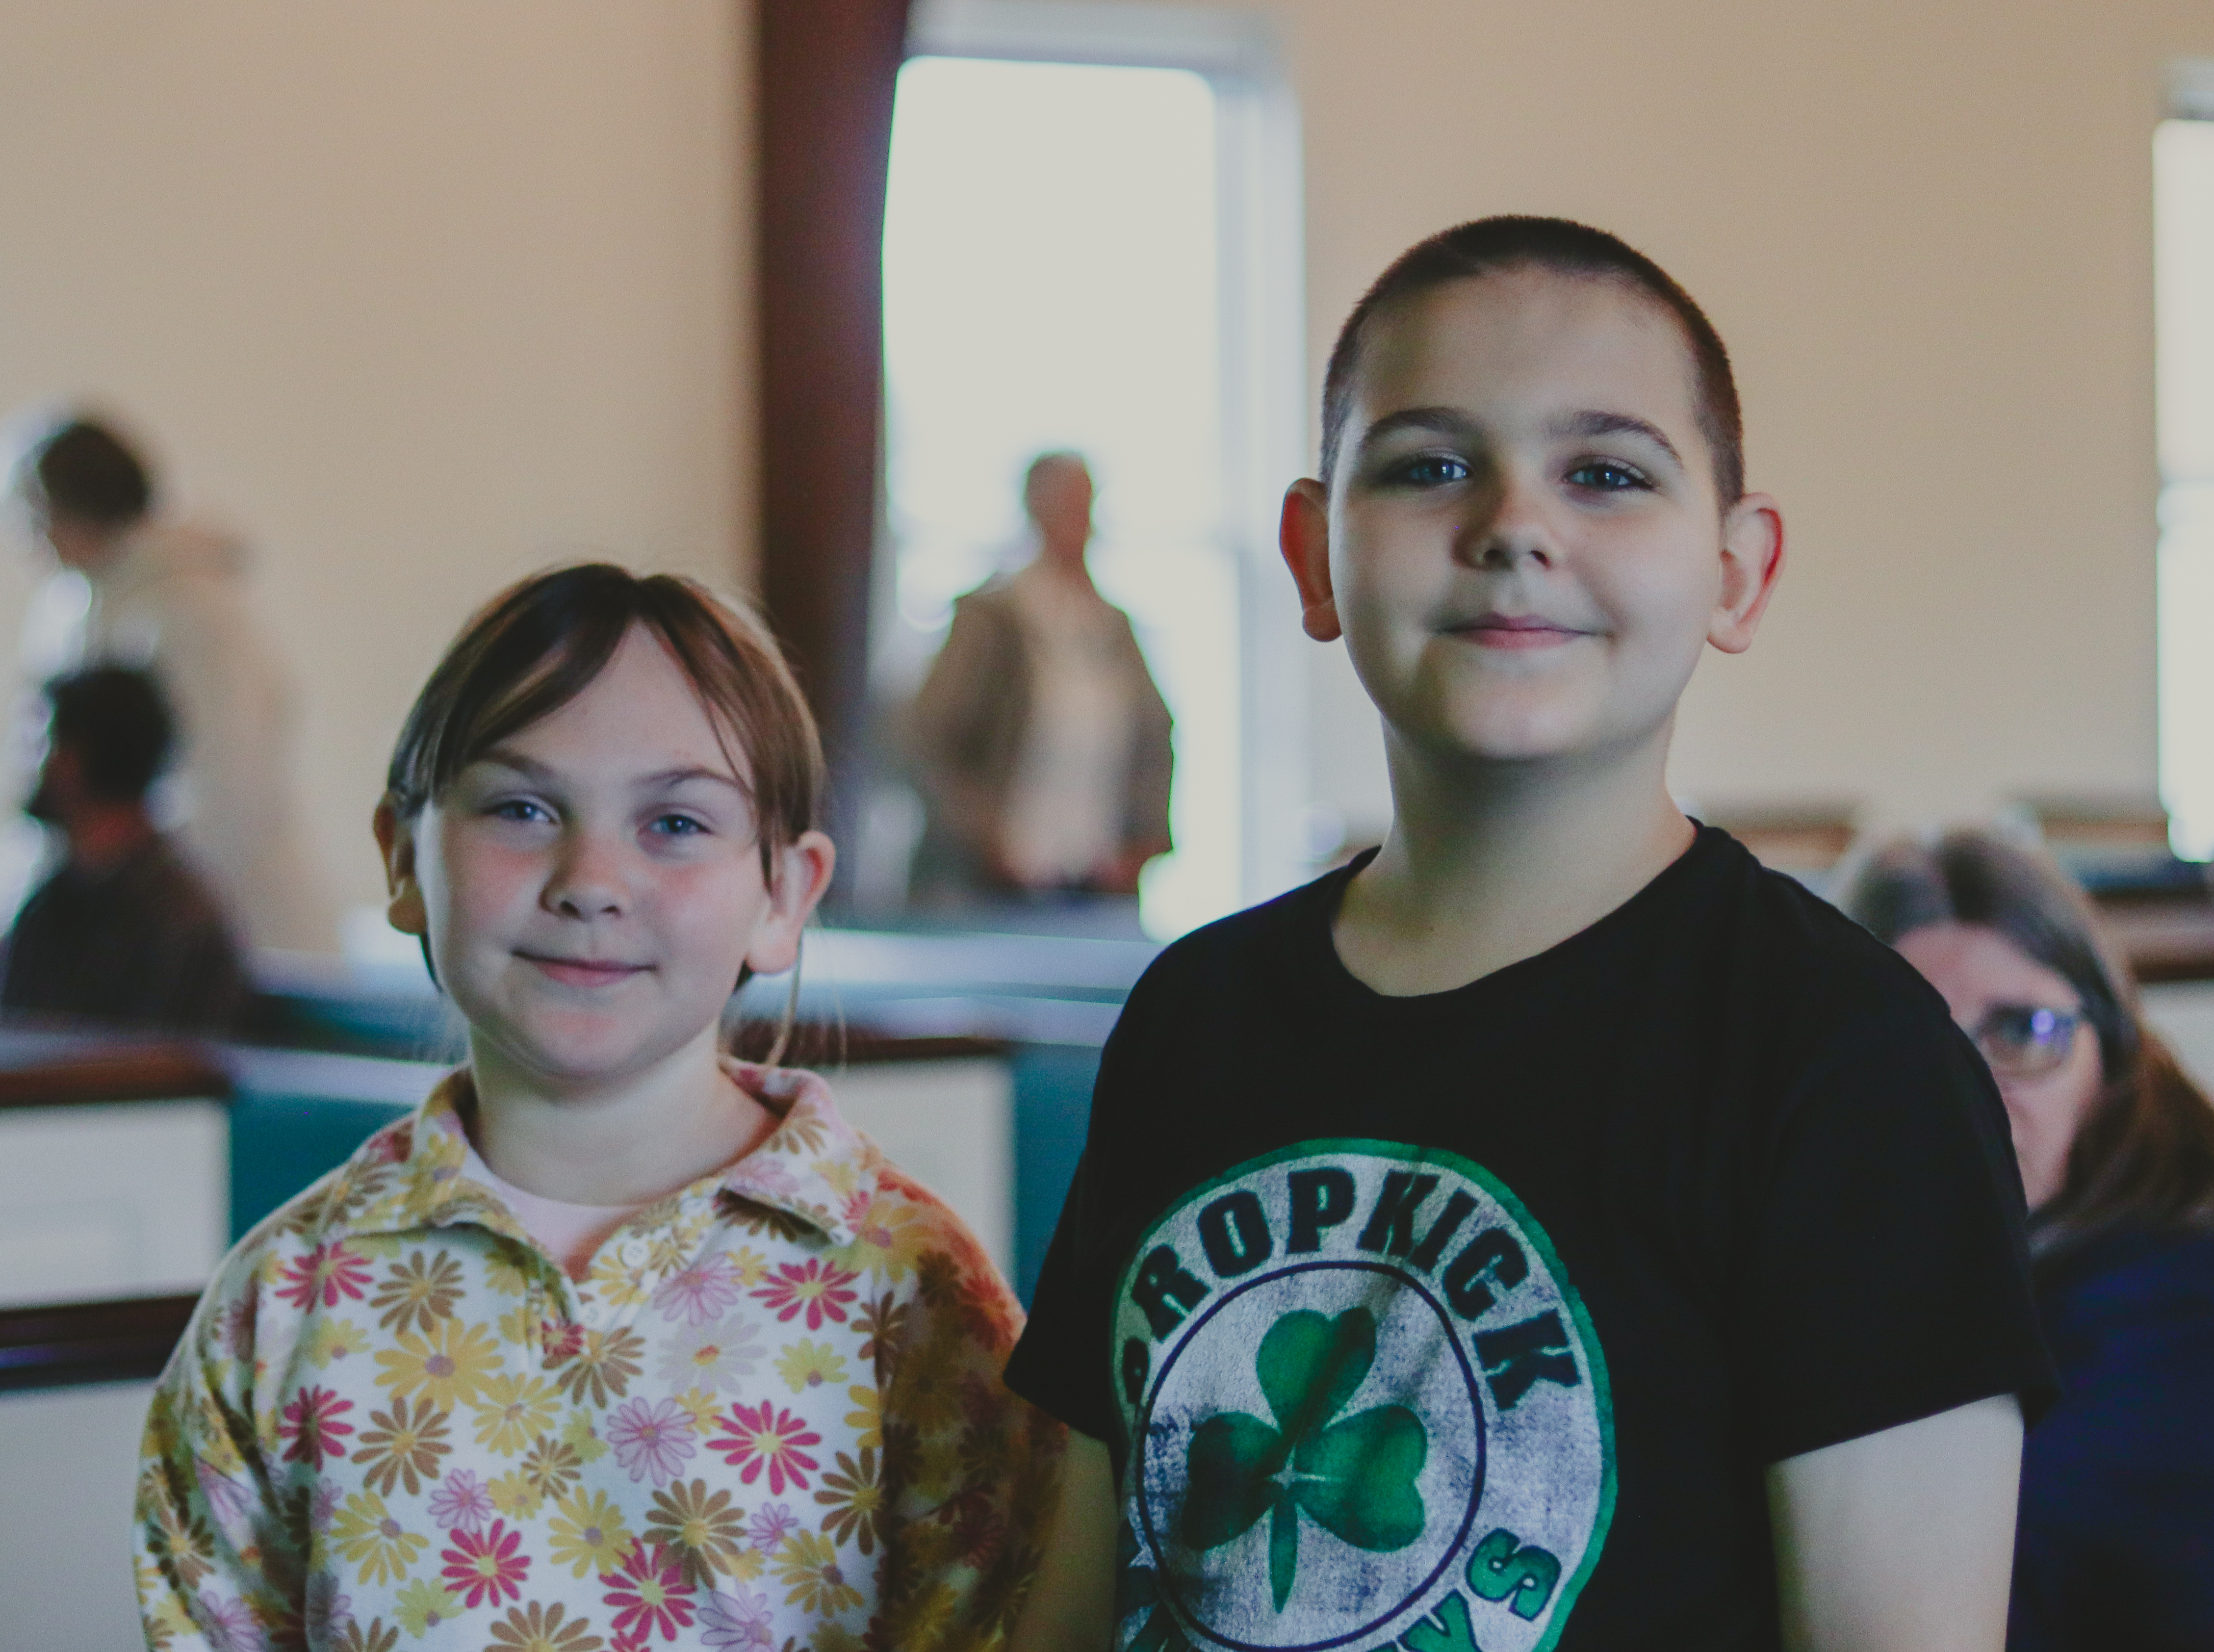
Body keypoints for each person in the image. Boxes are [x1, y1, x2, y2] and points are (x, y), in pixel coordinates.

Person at [1004, 217, 2056, 1652]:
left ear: (1737, 574)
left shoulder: (1845, 1065)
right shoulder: (1194, 1014)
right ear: (1312, 557)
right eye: (1429, 465)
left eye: (1605, 474)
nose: (1512, 524)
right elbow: (1074, 1596)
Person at [136, 566, 1061, 1651]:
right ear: (402, 859)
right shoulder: (288, 1301)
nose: (590, 878)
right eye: (522, 808)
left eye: (673, 822)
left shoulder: (908, 1293)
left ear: (784, 896)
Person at [1838, 828, 2214, 1652]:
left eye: (2024, 1030)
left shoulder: (2180, 1311)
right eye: (1914, 1044)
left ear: (2111, 1053)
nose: (1974, 1091)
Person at [0, 405, 335, 954]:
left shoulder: (192, 609)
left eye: (26, 520)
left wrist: (150, 912)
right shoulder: (73, 606)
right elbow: (52, 788)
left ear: (57, 510)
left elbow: (227, 786)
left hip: (213, 927)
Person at [902, 452, 1174, 927]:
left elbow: (1157, 737)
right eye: (1065, 504)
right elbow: (926, 743)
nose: (1078, 519)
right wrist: (988, 838)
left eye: (1085, 504)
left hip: (1096, 882)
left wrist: (1144, 843)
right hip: (993, 889)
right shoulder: (991, 620)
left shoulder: (1112, 624)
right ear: (1034, 508)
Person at [0, 666, 251, 1036]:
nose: (36, 764)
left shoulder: (181, 924)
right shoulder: (51, 905)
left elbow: (161, 1074)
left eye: (46, 742)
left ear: (76, 759)